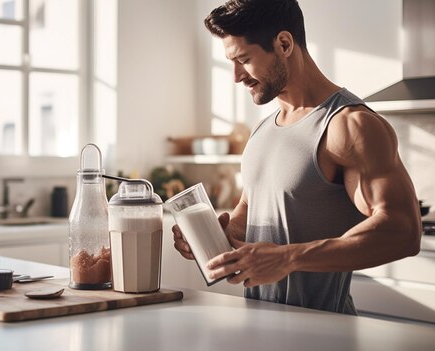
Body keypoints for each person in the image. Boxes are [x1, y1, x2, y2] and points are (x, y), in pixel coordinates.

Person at [172, 0, 421, 314]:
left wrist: (287, 258)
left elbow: (403, 231)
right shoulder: (262, 131)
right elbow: (248, 214)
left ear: (284, 44)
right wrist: (215, 239)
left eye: (244, 59)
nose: (236, 76)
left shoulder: (349, 125)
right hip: (261, 329)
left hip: (325, 333)